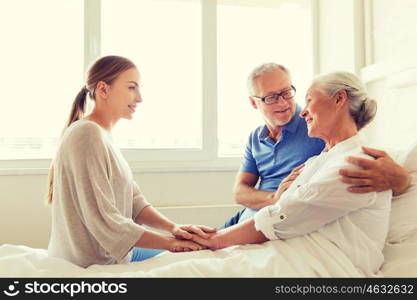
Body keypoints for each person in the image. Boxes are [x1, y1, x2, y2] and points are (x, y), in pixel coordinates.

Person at [192, 71, 392, 277]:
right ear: (255, 103)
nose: (302, 112)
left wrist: (216, 241)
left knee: (189, 270)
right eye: (271, 97)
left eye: (309, 100)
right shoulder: (318, 161)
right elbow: (256, 198)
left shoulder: (358, 165)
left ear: (339, 99)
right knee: (186, 259)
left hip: (317, 262)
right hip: (285, 245)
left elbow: (286, 216)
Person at [47, 55, 215, 267]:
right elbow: (104, 219)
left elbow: (134, 202)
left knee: (198, 256)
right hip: (94, 262)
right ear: (103, 90)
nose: (139, 98)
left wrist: (174, 228)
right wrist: (169, 244)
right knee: (193, 261)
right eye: (131, 88)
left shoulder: (102, 135)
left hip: (115, 255)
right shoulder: (87, 134)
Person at [222, 63, 410, 227]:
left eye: (286, 92)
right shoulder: (256, 138)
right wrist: (274, 198)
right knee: (194, 240)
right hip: (246, 215)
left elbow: (355, 148)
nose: (283, 102)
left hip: (272, 220)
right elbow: (240, 192)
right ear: (254, 103)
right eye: (271, 97)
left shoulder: (316, 125)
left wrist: (401, 180)